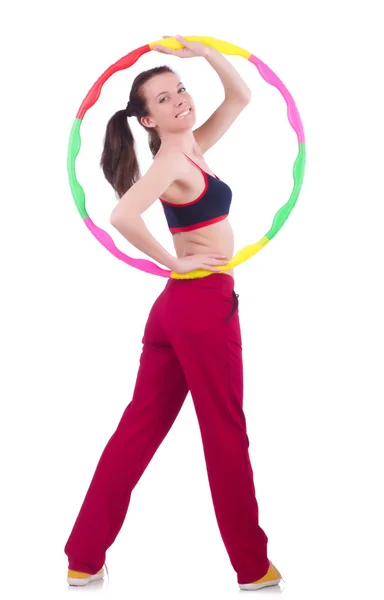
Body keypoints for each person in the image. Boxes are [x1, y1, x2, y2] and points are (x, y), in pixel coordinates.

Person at [65, 35, 282, 591]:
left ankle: (84, 557)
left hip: (176, 313)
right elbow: (123, 214)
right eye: (163, 99)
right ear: (147, 120)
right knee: (225, 431)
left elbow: (239, 98)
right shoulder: (170, 159)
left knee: (139, 427)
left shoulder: (193, 146)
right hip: (201, 304)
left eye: (179, 90)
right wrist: (174, 264)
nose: (179, 99)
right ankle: (253, 567)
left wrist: (205, 55)